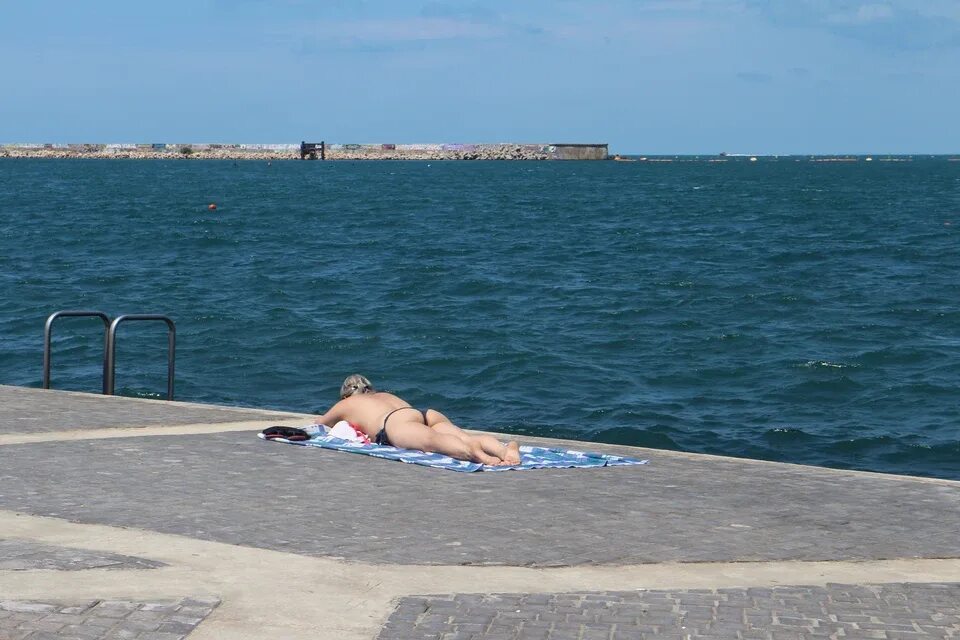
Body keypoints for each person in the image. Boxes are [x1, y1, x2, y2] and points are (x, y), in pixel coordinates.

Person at [315, 374, 521, 466]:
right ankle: (504, 450)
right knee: (463, 436)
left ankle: (474, 454)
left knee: (433, 442)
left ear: (345, 396)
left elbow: (321, 423)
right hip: (422, 413)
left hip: (393, 424)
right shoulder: (384, 395)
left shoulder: (347, 403)